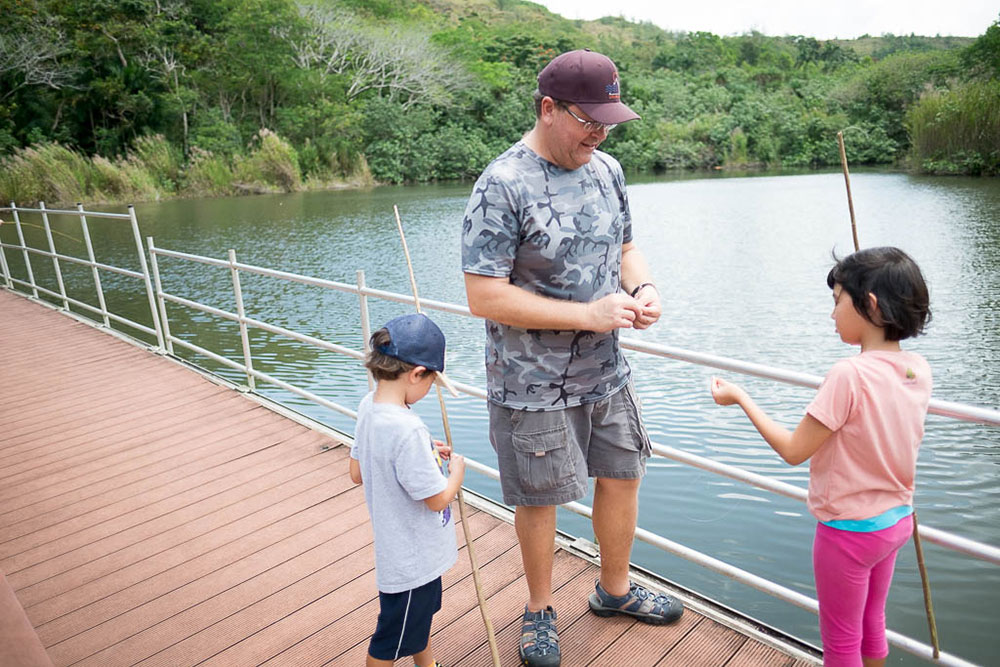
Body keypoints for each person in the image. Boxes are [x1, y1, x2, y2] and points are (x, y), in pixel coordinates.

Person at [461, 48, 683, 667]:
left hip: (606, 370)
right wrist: (587, 314)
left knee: (622, 473)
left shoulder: (606, 169)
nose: (601, 131)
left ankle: (613, 592)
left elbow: (627, 248)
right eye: (589, 119)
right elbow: (483, 294)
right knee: (540, 496)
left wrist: (643, 288)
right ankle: (537, 612)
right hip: (529, 380)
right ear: (548, 108)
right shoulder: (502, 184)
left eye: (609, 119)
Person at [710, 247, 932, 667]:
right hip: (897, 522)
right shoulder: (917, 368)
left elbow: (794, 451)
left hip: (849, 533)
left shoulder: (848, 375)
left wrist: (741, 397)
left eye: (837, 302)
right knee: (872, 623)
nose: (831, 316)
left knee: (842, 642)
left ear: (869, 304)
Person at [349, 313, 466, 667]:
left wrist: (425, 451)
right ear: (417, 374)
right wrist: (456, 474)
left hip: (400, 552)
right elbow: (436, 500)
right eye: (431, 382)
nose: (430, 390)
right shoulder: (407, 429)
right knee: (387, 644)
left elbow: (357, 471)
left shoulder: (370, 406)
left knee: (417, 624)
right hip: (413, 562)